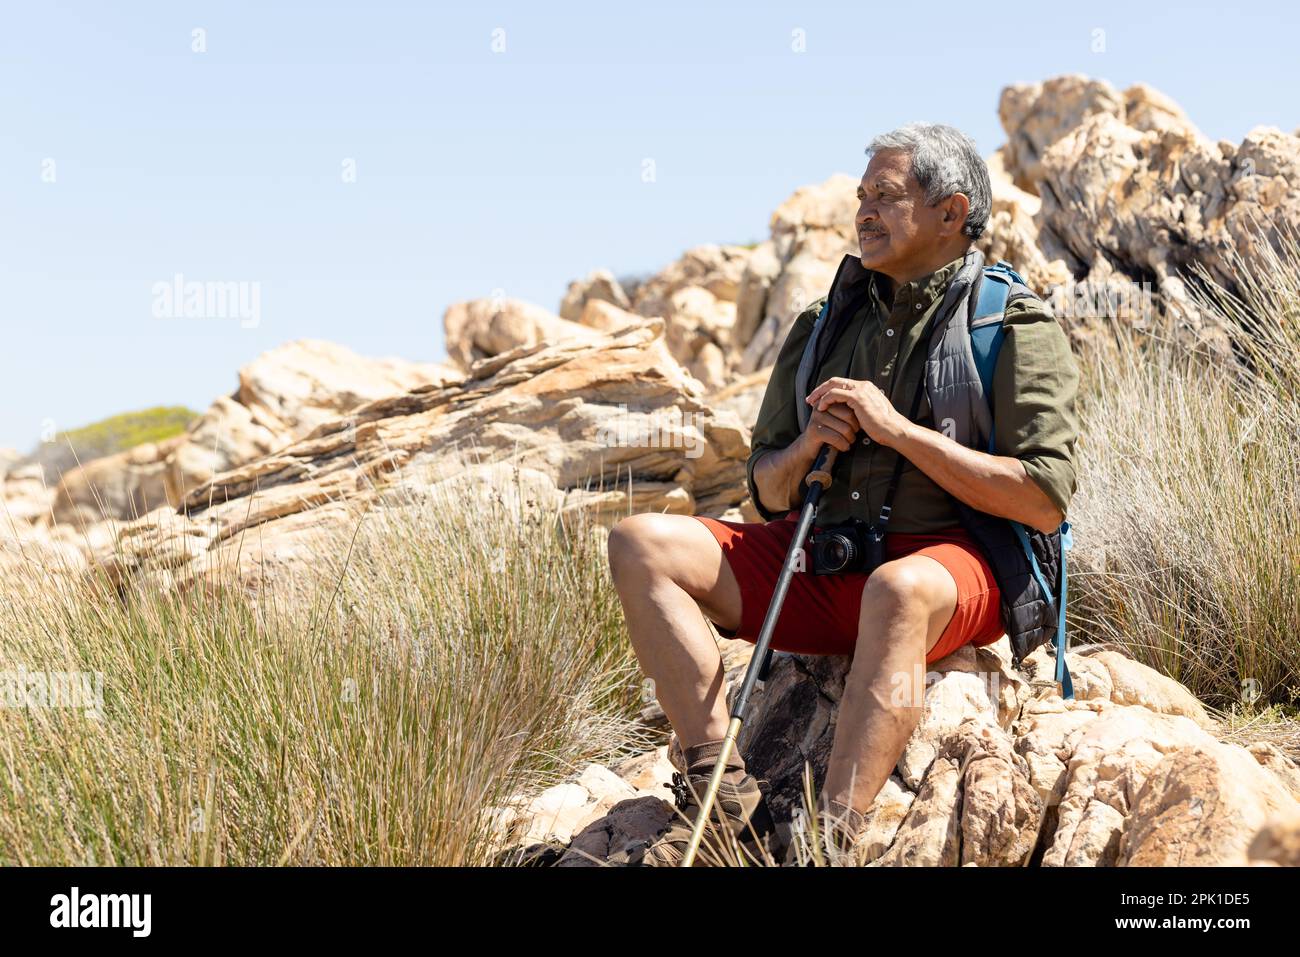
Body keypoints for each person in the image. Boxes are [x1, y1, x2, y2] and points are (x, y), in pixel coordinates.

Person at [606, 123, 1080, 866]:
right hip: (823, 571)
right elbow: (764, 491)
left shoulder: (1012, 325)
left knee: (896, 588)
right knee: (641, 542)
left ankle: (832, 843)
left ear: (952, 213)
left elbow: (1043, 498)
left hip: (951, 578)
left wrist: (896, 431)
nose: (863, 212)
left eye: (886, 198)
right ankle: (722, 801)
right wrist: (805, 448)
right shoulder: (824, 325)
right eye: (862, 197)